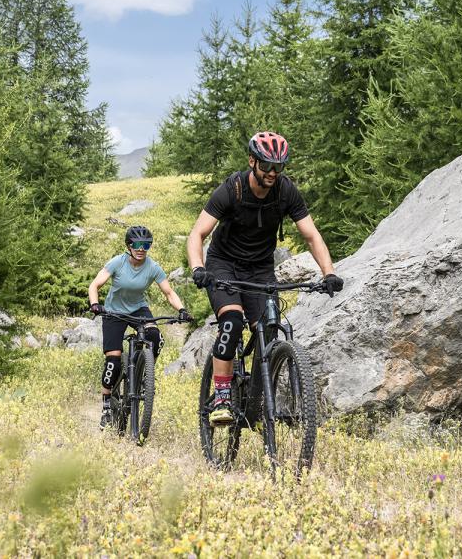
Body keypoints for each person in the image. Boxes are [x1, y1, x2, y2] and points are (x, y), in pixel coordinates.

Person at [186, 131, 343, 427]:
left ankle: (257, 400)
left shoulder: (286, 192)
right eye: (267, 166)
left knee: (269, 330)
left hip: (259, 268)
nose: (272, 173)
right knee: (231, 322)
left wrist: (329, 273)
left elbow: (311, 236)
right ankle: (221, 396)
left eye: (278, 167)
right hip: (224, 265)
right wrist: (198, 267)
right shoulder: (232, 189)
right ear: (252, 161)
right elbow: (198, 233)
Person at [89, 225, 191, 430]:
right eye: (137, 244)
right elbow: (95, 285)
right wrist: (95, 304)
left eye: (146, 245)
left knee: (155, 337)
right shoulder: (117, 262)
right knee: (113, 361)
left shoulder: (153, 267)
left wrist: (182, 309)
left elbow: (169, 292)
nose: (141, 249)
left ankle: (143, 371)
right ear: (129, 245)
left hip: (138, 310)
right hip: (113, 312)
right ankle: (107, 405)